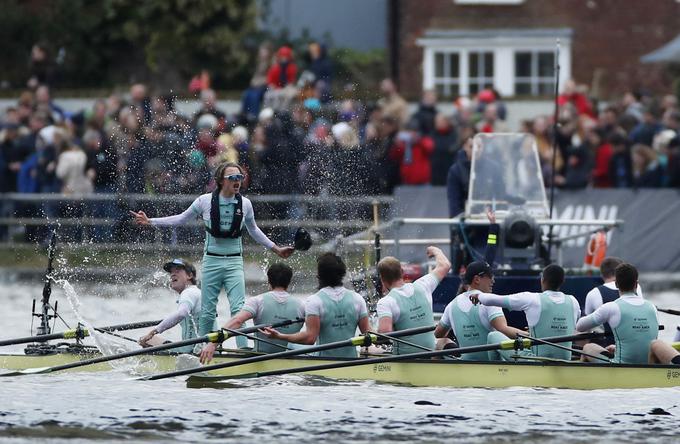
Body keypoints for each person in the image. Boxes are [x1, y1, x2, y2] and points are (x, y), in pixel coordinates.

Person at [131, 162, 294, 349]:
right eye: (232, 178)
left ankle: (244, 350)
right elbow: (181, 219)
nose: (237, 181)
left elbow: (254, 230)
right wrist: (151, 221)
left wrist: (276, 249)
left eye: (239, 178)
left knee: (238, 308)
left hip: (234, 262)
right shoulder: (204, 201)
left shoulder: (246, 204)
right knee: (208, 312)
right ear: (220, 181)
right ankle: (202, 348)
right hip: (212, 262)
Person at [261, 253, 369, 358]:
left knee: (291, 345)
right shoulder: (357, 299)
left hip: (323, 362)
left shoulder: (315, 301)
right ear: (342, 274)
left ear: (319, 276)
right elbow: (368, 333)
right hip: (352, 360)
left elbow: (310, 338)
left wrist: (280, 336)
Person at [470, 264, 581, 361]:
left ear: (542, 279)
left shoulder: (532, 299)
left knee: (493, 336)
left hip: (536, 361)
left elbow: (495, 300)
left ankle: (496, 372)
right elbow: (571, 327)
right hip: (565, 361)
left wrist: (479, 295)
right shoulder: (573, 301)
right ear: (562, 281)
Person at [199, 262, 304, 363]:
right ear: (289, 282)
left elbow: (237, 321)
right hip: (294, 359)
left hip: (260, 358)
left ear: (269, 281)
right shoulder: (302, 306)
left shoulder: (258, 301)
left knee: (243, 349)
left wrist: (214, 343)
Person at [434, 261, 522, 360]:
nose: (493, 281)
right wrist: (530, 336)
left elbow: (436, 336)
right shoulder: (490, 301)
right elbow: (504, 329)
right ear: (477, 279)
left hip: (466, 365)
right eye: (490, 276)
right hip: (493, 366)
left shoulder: (450, 306)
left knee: (440, 344)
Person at [577, 263, 660, 364]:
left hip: (621, 365)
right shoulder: (652, 307)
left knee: (588, 347)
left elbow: (580, 327)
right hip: (648, 363)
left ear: (616, 284)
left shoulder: (611, 307)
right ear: (637, 284)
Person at [376, 246, 450, 355]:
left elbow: (384, 333)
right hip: (430, 354)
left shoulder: (385, 302)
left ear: (382, 278)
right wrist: (436, 251)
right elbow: (445, 265)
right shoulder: (423, 285)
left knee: (367, 350)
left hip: (405, 361)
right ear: (402, 272)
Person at [138, 259, 202, 353]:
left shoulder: (189, 292)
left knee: (147, 340)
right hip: (203, 347)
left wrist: (153, 332)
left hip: (192, 351)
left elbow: (181, 314)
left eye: (177, 270)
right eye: (171, 272)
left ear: (190, 275)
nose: (172, 274)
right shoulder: (197, 292)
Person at [584, 256, 643, 347]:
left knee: (587, 344)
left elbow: (585, 328)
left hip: (608, 347)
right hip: (635, 344)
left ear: (602, 275)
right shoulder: (637, 288)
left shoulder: (593, 293)